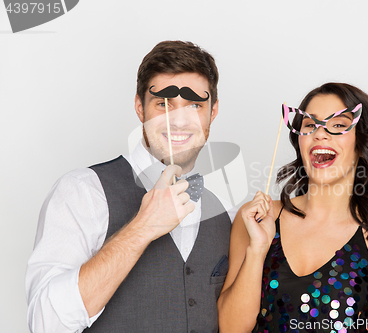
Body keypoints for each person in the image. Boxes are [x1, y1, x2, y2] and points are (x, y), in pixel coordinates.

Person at [26, 40, 234, 333]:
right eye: (163, 103)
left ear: (212, 113)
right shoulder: (83, 192)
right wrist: (143, 227)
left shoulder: (227, 209)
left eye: (195, 105)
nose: (179, 120)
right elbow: (45, 323)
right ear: (140, 108)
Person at [218, 83, 368, 332]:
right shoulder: (257, 218)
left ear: (361, 143)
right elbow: (229, 329)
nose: (320, 134)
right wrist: (257, 249)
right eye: (310, 125)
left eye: (338, 125)